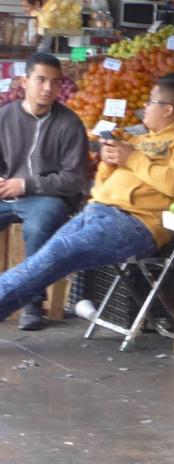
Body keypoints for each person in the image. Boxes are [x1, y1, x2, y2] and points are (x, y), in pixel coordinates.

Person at [0, 73, 174, 322]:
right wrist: (109, 162)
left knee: (56, 254)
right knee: (46, 260)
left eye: (150, 102)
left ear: (168, 110)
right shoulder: (140, 139)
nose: (144, 107)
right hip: (97, 211)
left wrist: (131, 158)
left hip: (134, 223)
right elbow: (102, 186)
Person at [0, 52, 89, 330]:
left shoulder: (69, 123)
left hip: (47, 197)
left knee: (40, 223)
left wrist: (27, 184)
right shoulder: (5, 116)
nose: (48, 88)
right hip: (6, 193)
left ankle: (32, 302)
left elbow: (74, 179)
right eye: (41, 80)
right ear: (25, 81)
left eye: (55, 82)